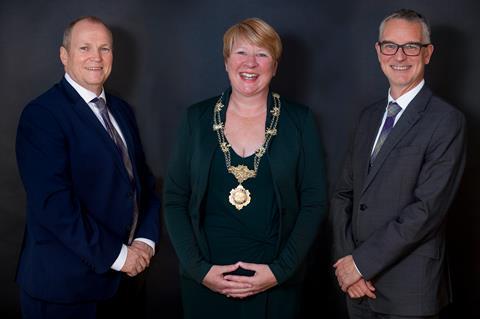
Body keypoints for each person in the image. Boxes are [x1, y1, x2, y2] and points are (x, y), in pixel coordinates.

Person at [164, 17, 326, 318]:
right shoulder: (195, 119)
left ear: (274, 66)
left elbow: (314, 202)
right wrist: (199, 270)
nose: (250, 63)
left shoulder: (300, 121)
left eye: (262, 54)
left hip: (275, 283)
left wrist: (281, 271)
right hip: (206, 282)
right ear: (226, 61)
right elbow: (174, 198)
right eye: (241, 52)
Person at [15, 16, 160, 318]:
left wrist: (145, 242)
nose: (96, 57)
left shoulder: (121, 110)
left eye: (104, 48)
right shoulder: (42, 115)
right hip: (65, 292)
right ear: (64, 55)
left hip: (124, 285)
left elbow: (143, 183)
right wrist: (121, 257)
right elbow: (54, 206)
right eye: (85, 48)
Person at [331, 9, 466, 319]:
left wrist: (360, 264)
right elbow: (343, 194)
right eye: (390, 45)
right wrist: (345, 263)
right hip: (356, 289)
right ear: (379, 51)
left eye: (411, 46)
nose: (400, 56)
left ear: (428, 53)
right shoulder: (368, 116)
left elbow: (426, 210)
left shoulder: (446, 121)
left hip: (409, 292)